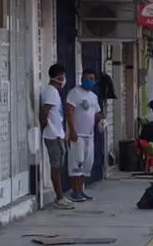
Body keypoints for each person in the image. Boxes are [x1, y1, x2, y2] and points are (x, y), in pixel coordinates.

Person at [65, 69, 105, 202]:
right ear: (81, 79)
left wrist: (101, 117)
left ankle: (81, 189)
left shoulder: (93, 96)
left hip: (90, 135)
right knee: (77, 163)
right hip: (78, 135)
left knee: (87, 164)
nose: (89, 80)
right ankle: (74, 191)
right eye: (86, 78)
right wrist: (72, 131)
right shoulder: (74, 93)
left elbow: (95, 113)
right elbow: (69, 112)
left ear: (95, 81)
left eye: (92, 78)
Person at [39, 64, 74, 210]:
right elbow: (44, 111)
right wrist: (45, 125)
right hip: (52, 135)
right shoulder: (51, 92)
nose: (64, 79)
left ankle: (60, 196)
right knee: (56, 167)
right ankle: (59, 198)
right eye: (63, 76)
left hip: (57, 134)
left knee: (59, 166)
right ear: (59, 77)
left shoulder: (53, 92)